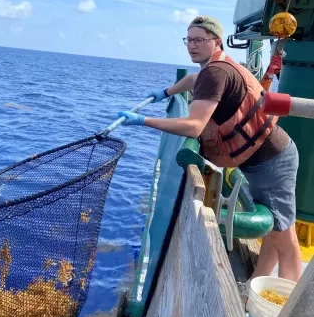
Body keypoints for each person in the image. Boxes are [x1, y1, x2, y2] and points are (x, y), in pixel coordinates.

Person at [118, 15, 302, 286]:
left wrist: (143, 121)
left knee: (284, 237)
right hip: (267, 157)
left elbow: (194, 126)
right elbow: (193, 80)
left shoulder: (215, 73)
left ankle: (287, 311)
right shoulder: (216, 67)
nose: (192, 45)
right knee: (275, 230)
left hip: (271, 160)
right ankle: (259, 285)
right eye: (188, 39)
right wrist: (166, 92)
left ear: (216, 42)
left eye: (199, 40)